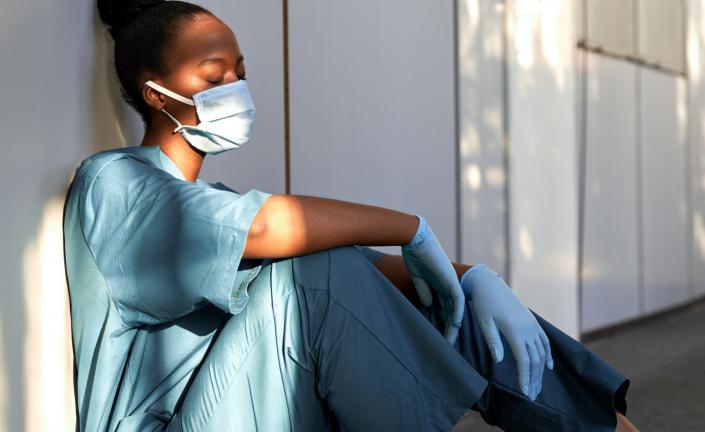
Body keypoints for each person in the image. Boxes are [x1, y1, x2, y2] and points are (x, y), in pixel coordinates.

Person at [62, 1, 638, 430]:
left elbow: (367, 274)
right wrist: (413, 228)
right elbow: (273, 231)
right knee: (311, 274)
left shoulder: (215, 204)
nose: (235, 87)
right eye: (215, 77)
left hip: (257, 405)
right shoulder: (115, 181)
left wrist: (469, 277)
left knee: (454, 306)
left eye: (240, 72)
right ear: (157, 94)